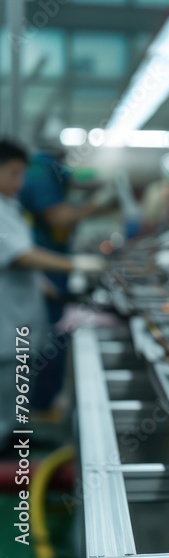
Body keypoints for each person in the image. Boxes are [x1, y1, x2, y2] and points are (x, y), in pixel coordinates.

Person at [0, 140, 105, 447]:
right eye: (14, 174)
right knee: (8, 388)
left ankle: (14, 437)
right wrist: (76, 264)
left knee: (17, 388)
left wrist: (41, 281)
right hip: (7, 324)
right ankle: (6, 452)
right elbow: (20, 255)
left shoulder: (9, 205)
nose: (20, 183)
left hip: (19, 317)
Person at [18, 134, 115, 413]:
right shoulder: (40, 171)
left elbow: (76, 179)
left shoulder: (49, 169)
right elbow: (59, 217)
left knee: (47, 334)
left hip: (50, 266)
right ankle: (37, 409)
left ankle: (36, 408)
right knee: (45, 337)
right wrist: (96, 204)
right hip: (45, 267)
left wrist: (101, 186)